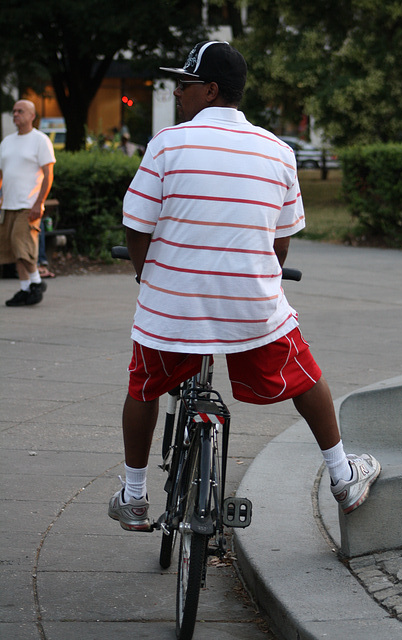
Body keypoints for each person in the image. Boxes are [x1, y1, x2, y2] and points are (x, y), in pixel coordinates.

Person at [108, 41, 380, 532]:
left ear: (211, 90)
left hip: (172, 312)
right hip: (250, 311)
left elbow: (136, 226)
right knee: (305, 375)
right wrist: (263, 276)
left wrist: (147, 275)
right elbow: (281, 243)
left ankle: (133, 495)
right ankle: (343, 477)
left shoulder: (167, 144)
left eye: (185, 84)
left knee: (143, 387)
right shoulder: (279, 151)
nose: (179, 92)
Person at [0, 99, 56, 305]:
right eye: (14, 111)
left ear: (32, 116)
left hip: (28, 204)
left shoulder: (40, 140)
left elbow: (48, 175)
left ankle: (36, 282)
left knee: (21, 245)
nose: (15, 114)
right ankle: (27, 288)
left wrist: (38, 203)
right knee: (14, 250)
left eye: (20, 111)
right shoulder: (6, 142)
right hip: (8, 205)